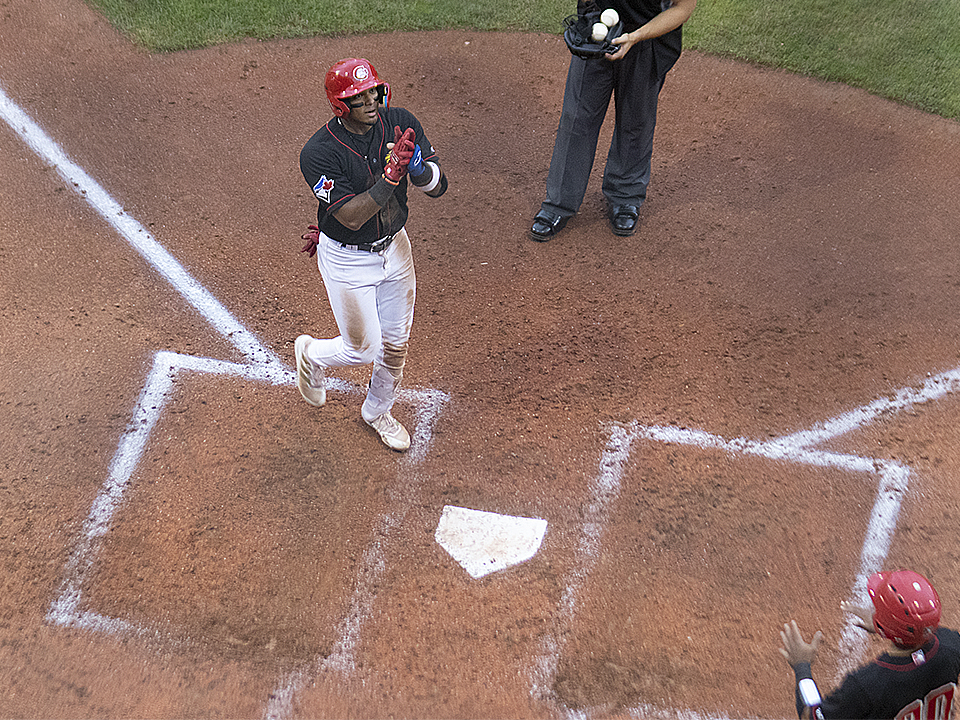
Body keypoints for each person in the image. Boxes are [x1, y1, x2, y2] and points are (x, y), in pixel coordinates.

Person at [295, 57, 447, 451]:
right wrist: (389, 178)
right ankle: (311, 352)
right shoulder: (318, 153)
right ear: (339, 104)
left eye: (372, 91)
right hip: (348, 259)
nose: (369, 100)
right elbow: (350, 216)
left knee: (395, 344)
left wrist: (417, 168)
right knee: (362, 348)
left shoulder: (399, 121)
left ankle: (378, 411)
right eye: (357, 96)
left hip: (396, 250)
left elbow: (438, 186)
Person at [529, 0, 697, 241]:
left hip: (647, 35)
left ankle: (625, 197)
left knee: (636, 121)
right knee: (577, 118)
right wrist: (591, 16)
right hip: (599, 34)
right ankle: (558, 204)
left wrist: (635, 36)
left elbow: (682, 9)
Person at [780, 569, 960, 719]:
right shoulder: (951, 645)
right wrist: (887, 625)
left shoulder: (867, 684)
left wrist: (802, 666)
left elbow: (813, 717)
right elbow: (921, 647)